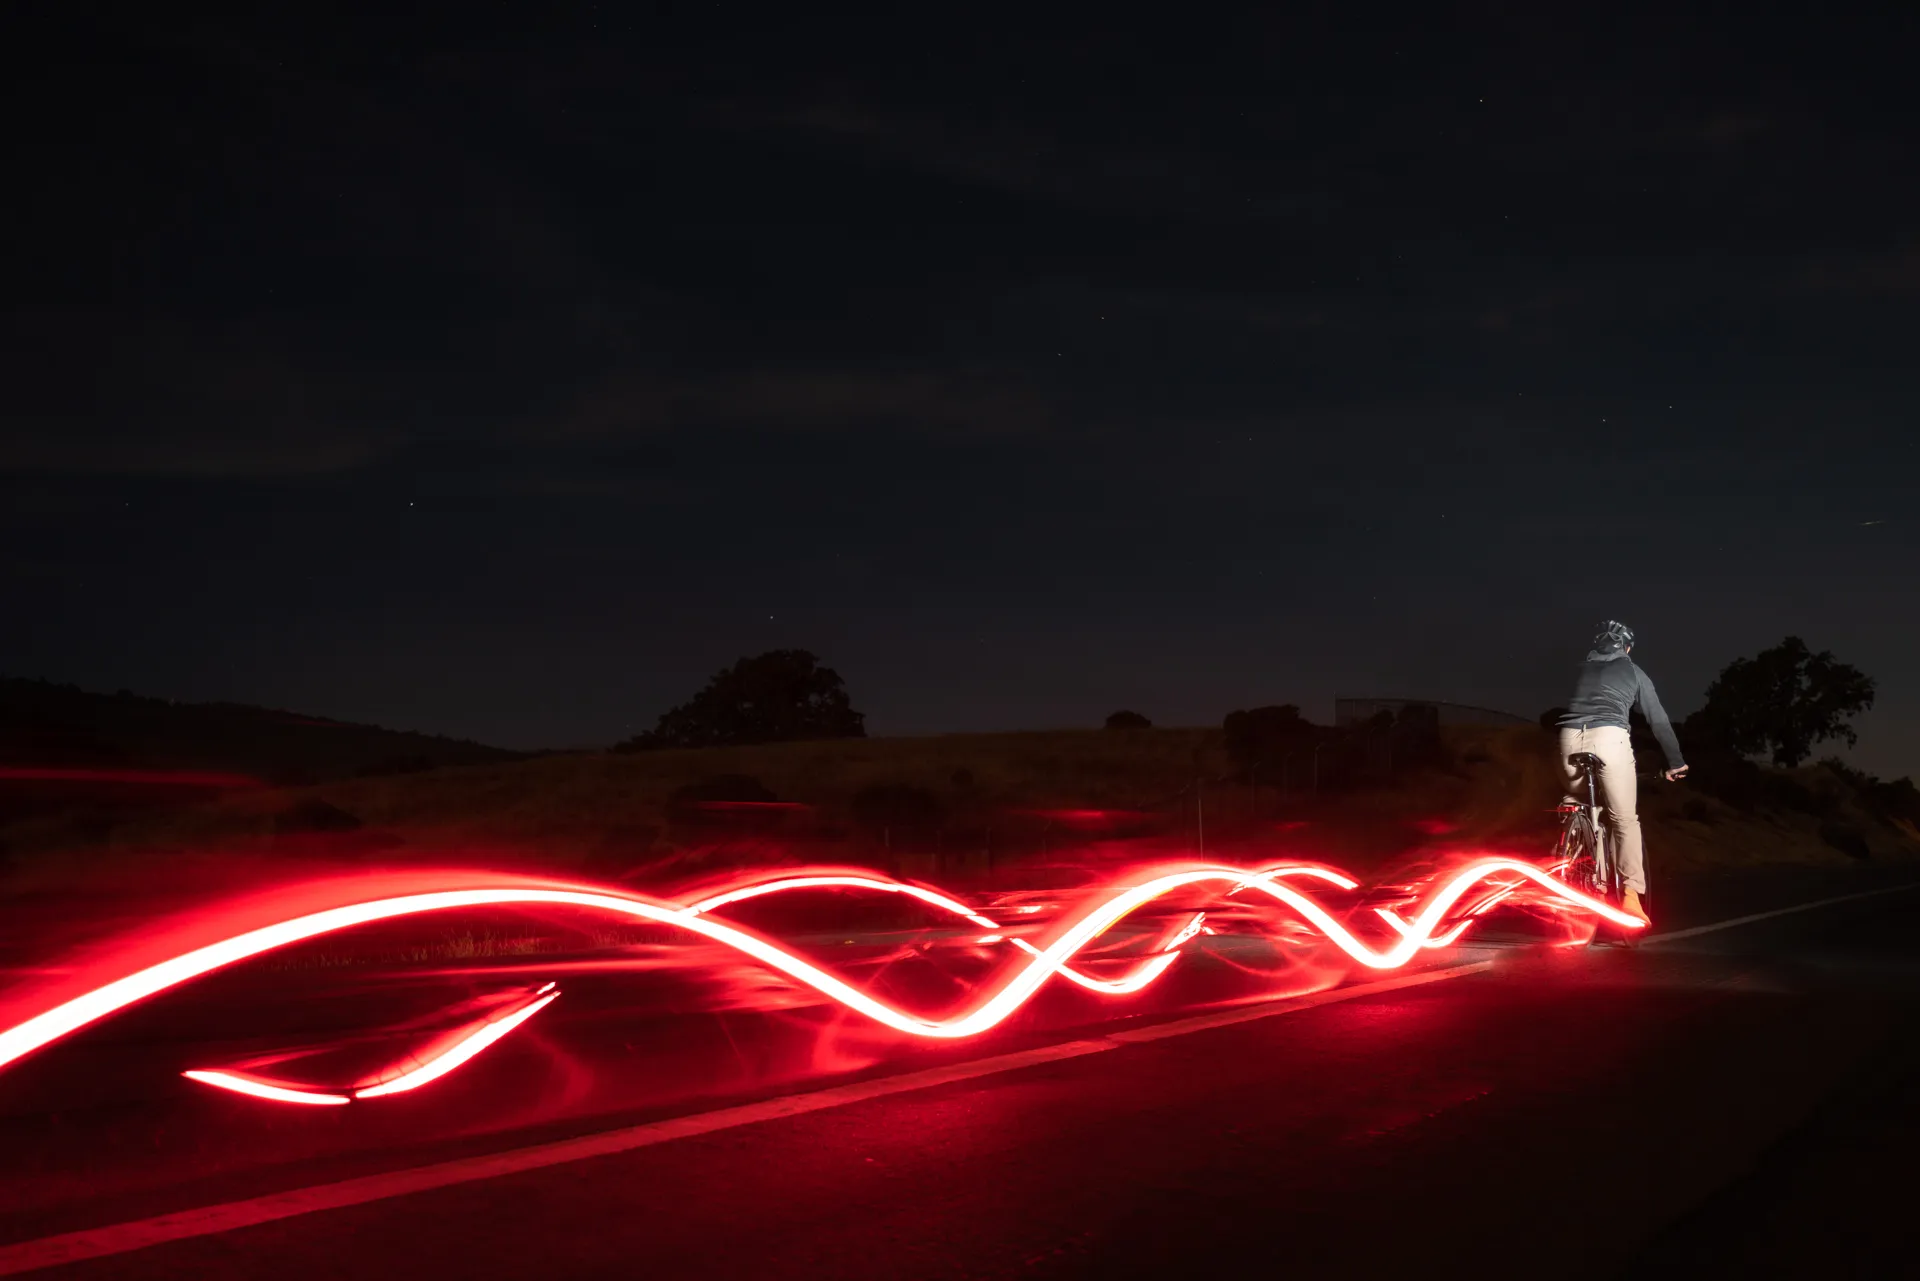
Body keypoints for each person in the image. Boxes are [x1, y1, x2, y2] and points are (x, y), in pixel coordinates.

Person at [1555, 620, 1688, 923]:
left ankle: (1572, 830)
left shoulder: (1579, 667)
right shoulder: (1634, 672)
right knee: (1624, 818)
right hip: (1610, 737)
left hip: (1567, 739)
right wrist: (1676, 762)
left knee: (1577, 796)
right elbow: (1659, 721)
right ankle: (1630, 895)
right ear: (1626, 648)